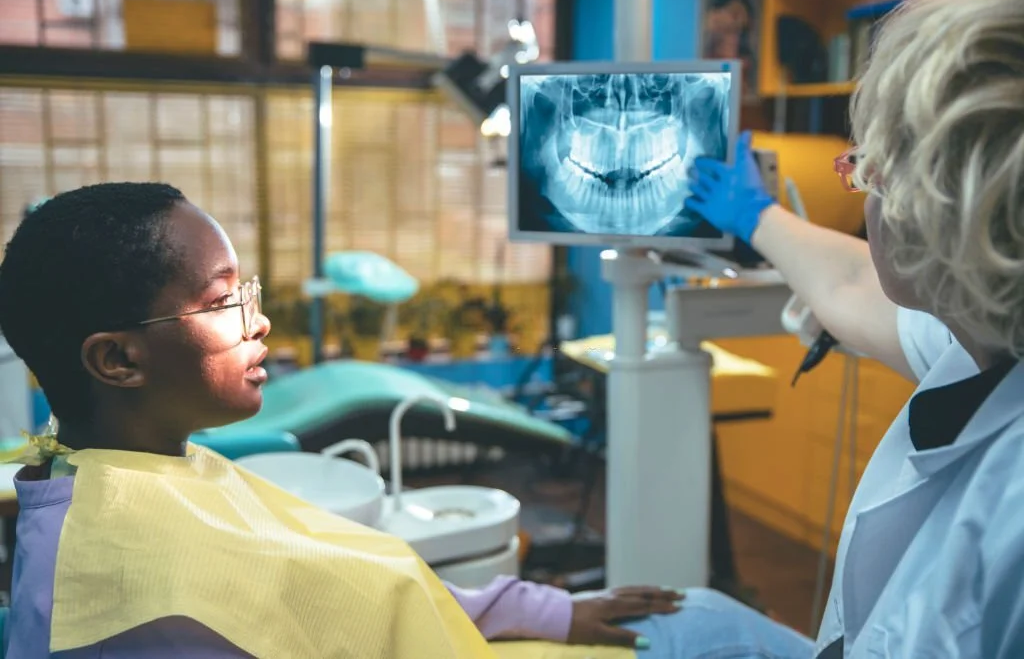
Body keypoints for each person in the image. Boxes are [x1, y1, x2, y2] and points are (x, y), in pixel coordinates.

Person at [0, 182, 707, 659]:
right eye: (223, 303)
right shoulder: (126, 605)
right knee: (711, 627)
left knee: (700, 619)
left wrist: (553, 611)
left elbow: (343, 576)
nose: (261, 319)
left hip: (462, 630)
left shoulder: (145, 465)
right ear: (118, 360)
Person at [682, 0, 1024, 657]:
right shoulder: (982, 334)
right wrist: (755, 215)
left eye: (866, 167)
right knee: (687, 616)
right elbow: (850, 279)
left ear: (934, 211)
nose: (862, 193)